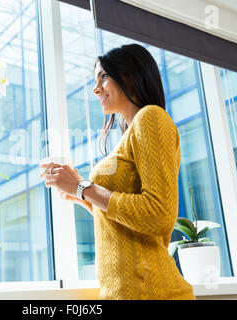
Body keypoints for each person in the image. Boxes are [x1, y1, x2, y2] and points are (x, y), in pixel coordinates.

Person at [39, 43, 195, 300]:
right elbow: (123, 225)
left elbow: (159, 216)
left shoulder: (151, 117)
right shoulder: (127, 136)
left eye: (103, 76)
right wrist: (82, 195)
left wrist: (83, 187)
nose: (95, 88)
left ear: (130, 75)